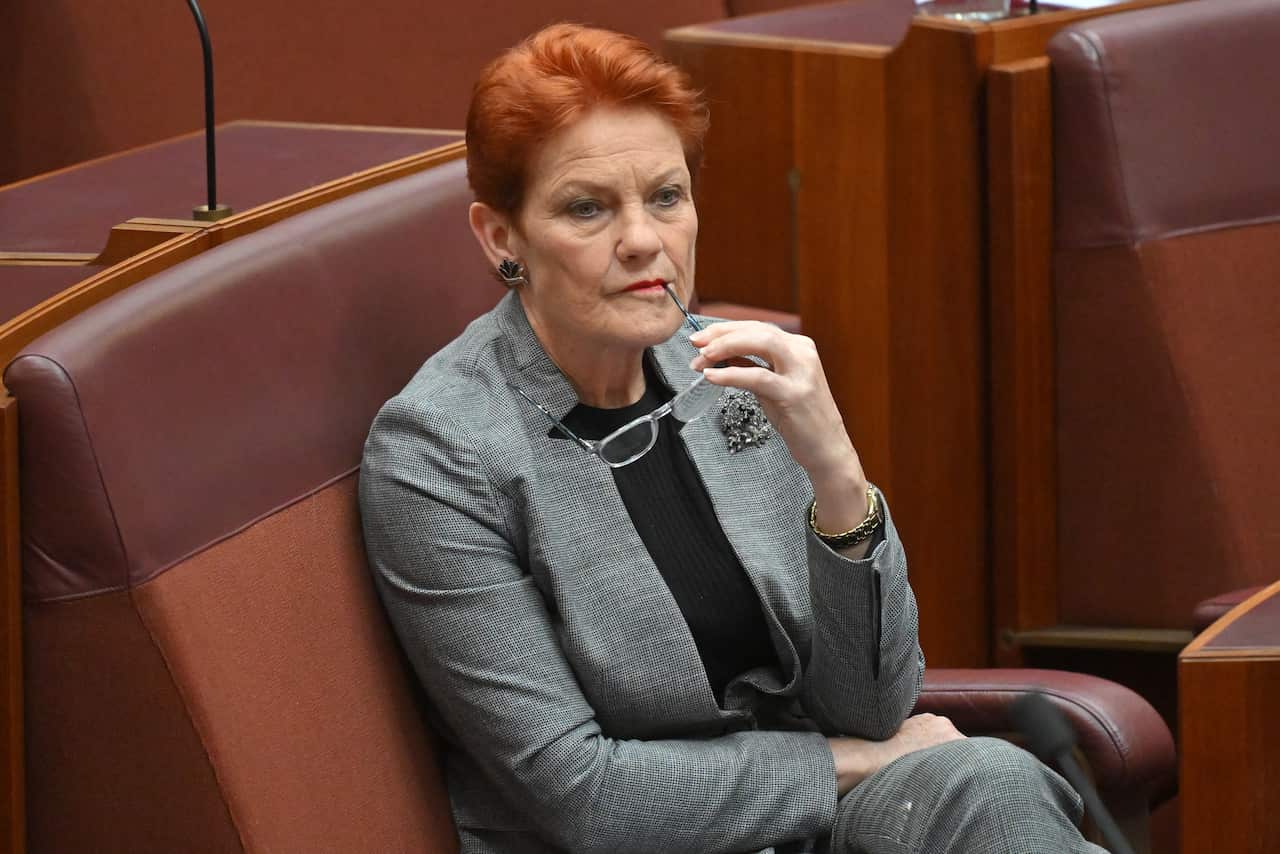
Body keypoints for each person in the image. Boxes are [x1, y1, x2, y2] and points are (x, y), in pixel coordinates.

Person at [360, 23, 1103, 854]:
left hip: (802, 823)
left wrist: (835, 472)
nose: (644, 240)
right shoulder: (439, 452)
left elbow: (874, 704)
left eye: (666, 196)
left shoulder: (723, 373)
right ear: (502, 239)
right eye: (587, 207)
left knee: (988, 783)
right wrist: (852, 761)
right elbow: (584, 798)